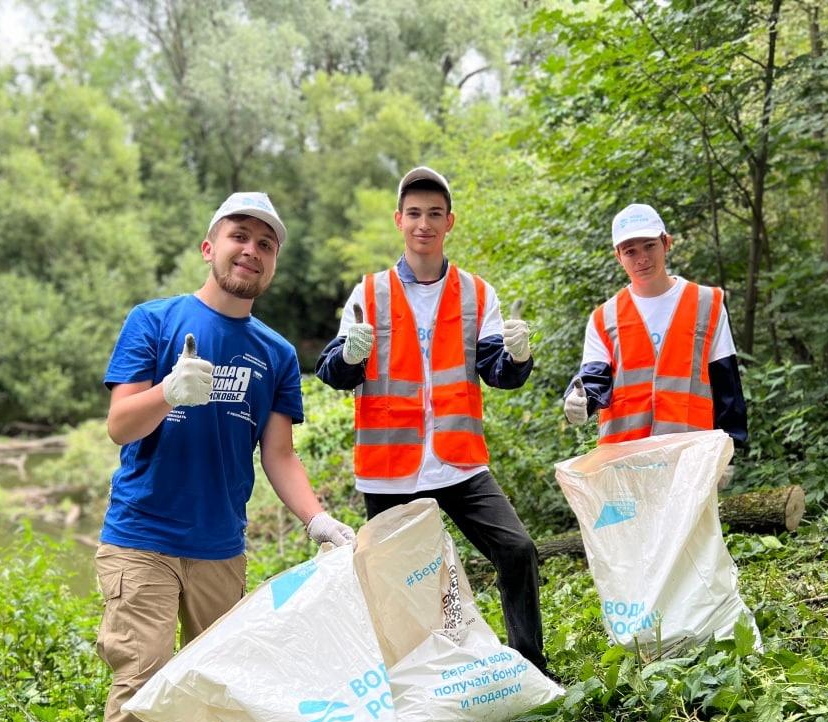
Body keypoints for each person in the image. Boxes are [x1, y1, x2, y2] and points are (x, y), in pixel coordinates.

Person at [96, 191, 354, 722]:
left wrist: (317, 520)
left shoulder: (275, 353)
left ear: (272, 264)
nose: (252, 251)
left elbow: (279, 454)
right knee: (143, 680)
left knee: (217, 675)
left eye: (266, 244)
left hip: (220, 544)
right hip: (141, 538)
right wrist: (167, 394)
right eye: (240, 236)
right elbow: (120, 425)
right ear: (211, 247)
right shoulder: (155, 321)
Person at [315, 166, 549, 675]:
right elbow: (331, 371)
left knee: (516, 549)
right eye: (415, 213)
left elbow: (498, 373)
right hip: (389, 468)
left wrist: (519, 357)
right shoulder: (369, 292)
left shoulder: (477, 294)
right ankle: (408, 677)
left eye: (435, 214)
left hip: (458, 463)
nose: (424, 224)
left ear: (450, 222)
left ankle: (530, 664)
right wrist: (350, 356)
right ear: (399, 220)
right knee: (396, 581)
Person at [562, 202, 747, 474]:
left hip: (691, 462)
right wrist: (580, 400)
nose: (642, 258)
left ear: (666, 243)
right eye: (630, 251)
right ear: (618, 256)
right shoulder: (604, 318)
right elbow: (594, 378)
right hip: (626, 467)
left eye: (649, 246)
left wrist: (728, 450)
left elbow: (726, 383)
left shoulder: (707, 304)